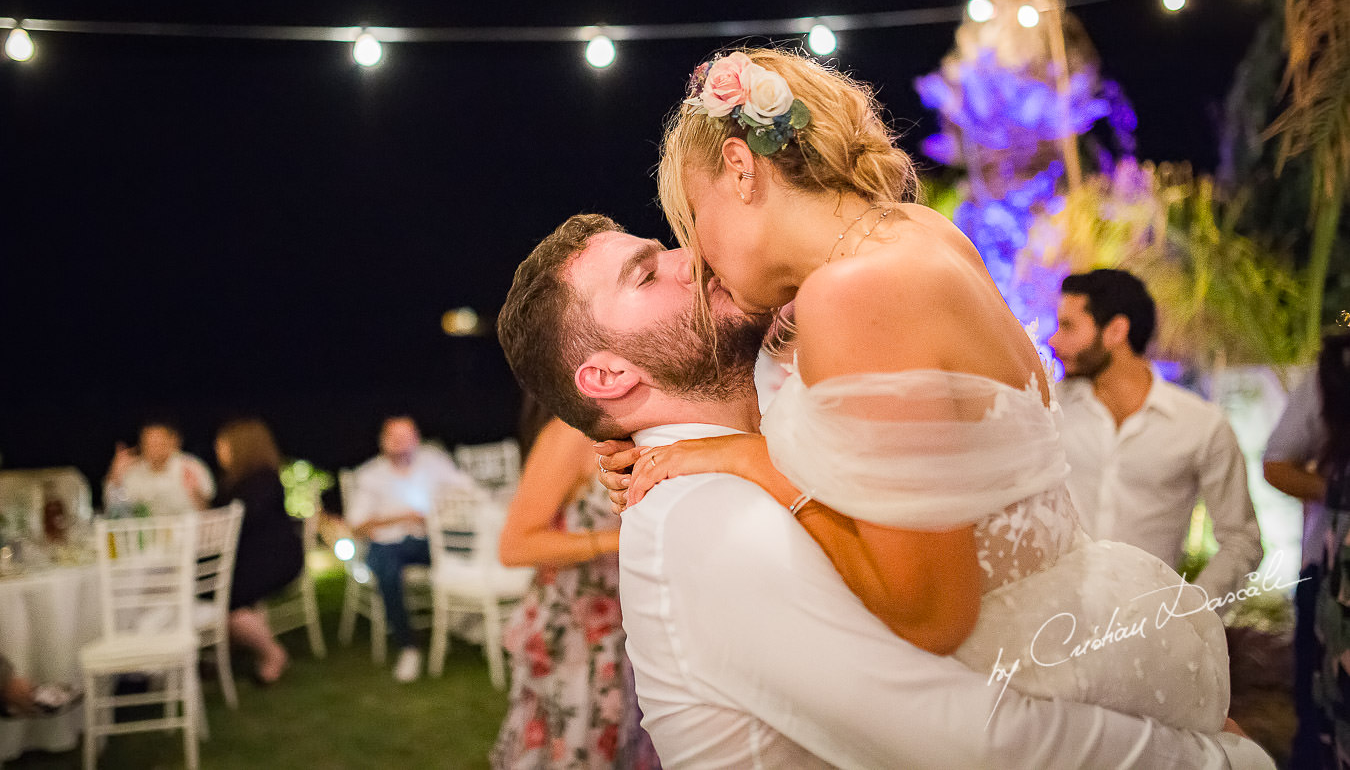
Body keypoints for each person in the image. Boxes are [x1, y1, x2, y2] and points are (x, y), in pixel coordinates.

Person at [497, 213, 1271, 768]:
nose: (690, 257)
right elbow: (964, 739)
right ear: (607, 377)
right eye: (646, 273)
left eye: (665, 245)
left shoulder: (776, 431)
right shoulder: (700, 520)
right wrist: (1212, 758)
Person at [1048, 269, 1264, 601]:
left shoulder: (1201, 426)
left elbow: (1241, 539)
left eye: (1068, 326)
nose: (1054, 340)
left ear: (1116, 330)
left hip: (1145, 629)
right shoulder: (1048, 409)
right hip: (1051, 618)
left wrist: (1192, 614)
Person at [490, 413, 660, 769]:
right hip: (577, 630)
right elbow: (514, 546)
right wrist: (616, 540)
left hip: (635, 626)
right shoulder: (571, 434)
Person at [1268, 333, 1350, 767]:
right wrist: (1337, 491)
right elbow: (1277, 464)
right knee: (1323, 719)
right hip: (1331, 577)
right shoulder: (1335, 371)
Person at [345, 415, 474, 682]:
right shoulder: (371, 475)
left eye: (407, 436)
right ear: (383, 441)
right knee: (387, 571)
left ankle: (466, 622)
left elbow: (466, 490)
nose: (402, 443)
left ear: (416, 438)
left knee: (466, 552)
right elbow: (356, 525)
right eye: (395, 437)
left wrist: (445, 509)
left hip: (430, 539)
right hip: (388, 543)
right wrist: (403, 517)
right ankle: (408, 647)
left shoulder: (433, 462)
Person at [213, 418, 305, 685]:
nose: (218, 451)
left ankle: (272, 654)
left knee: (225, 601)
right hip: (253, 560)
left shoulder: (262, 481)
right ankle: (226, 655)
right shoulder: (234, 482)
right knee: (213, 589)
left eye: (222, 445)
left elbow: (239, 521)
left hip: (276, 560)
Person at [105, 420, 214, 515]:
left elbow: (208, 511)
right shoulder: (133, 472)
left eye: (160, 443)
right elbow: (115, 511)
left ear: (174, 441)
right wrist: (115, 477)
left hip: (188, 535)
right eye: (149, 443)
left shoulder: (191, 467)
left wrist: (196, 494)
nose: (155, 449)